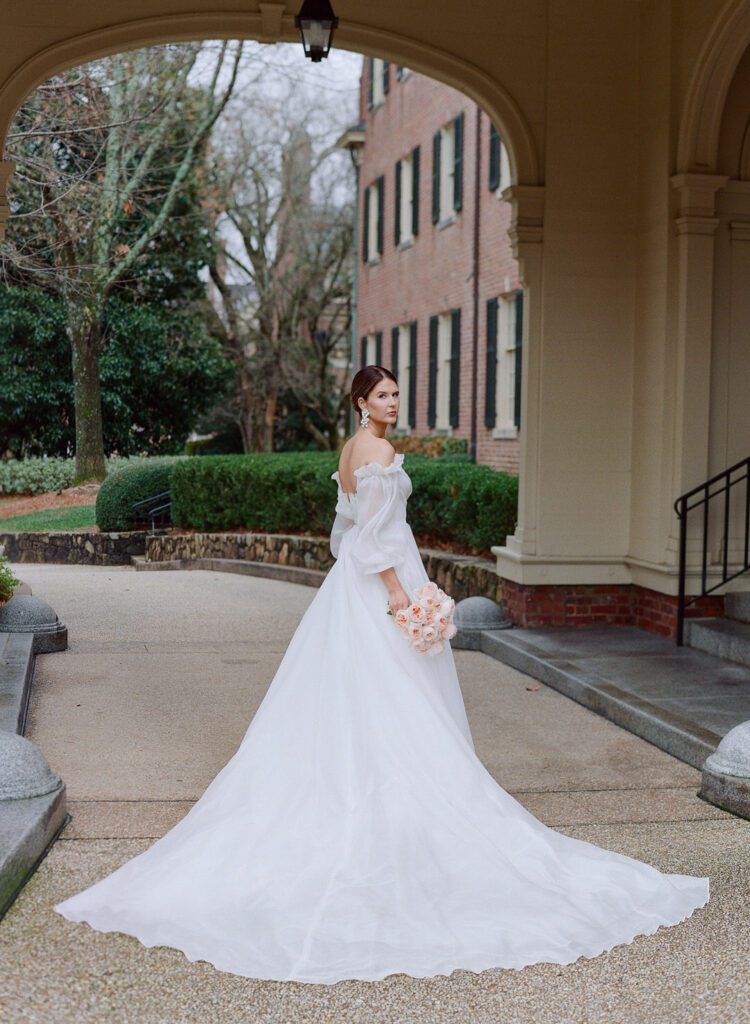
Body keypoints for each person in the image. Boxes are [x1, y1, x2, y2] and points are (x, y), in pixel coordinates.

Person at [53, 364, 709, 984]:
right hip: (381, 588)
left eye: (397, 395)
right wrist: (400, 593)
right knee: (398, 700)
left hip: (361, 587)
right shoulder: (376, 453)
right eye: (385, 396)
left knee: (369, 702)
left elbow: (345, 533)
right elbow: (369, 540)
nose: (395, 404)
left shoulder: (350, 450)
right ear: (363, 403)